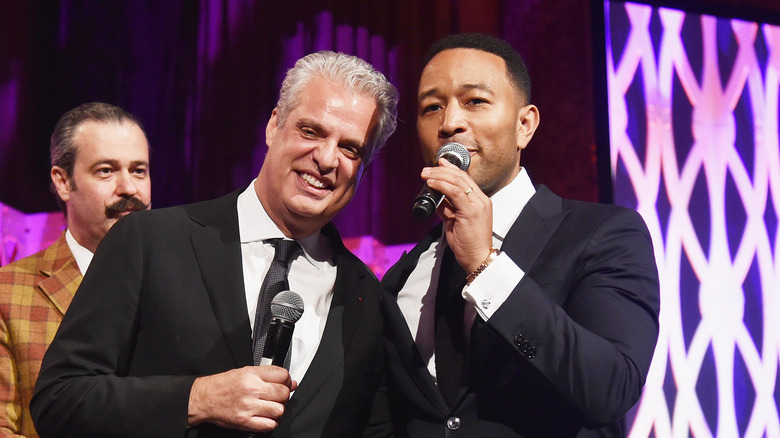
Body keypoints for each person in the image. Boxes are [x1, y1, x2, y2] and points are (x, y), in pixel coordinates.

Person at [30, 51, 398, 438]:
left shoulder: (367, 301)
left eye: (350, 148)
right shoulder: (148, 241)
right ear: (274, 125)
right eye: (311, 131)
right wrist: (197, 399)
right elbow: (59, 399)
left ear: (364, 167)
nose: (326, 158)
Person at [381, 33, 660, 437]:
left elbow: (610, 388)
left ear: (524, 125)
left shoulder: (603, 234)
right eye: (431, 107)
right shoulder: (404, 275)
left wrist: (485, 265)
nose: (449, 122)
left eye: (475, 101)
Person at [0, 102, 152, 438]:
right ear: (63, 181)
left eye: (139, 170)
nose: (129, 188)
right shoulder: (7, 293)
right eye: (106, 171)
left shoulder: (183, 284)